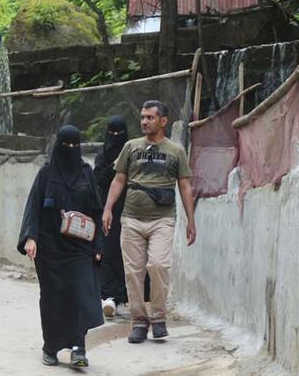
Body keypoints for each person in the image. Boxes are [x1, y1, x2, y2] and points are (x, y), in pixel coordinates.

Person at [102, 100, 197, 344]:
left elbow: (185, 185)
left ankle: (158, 318)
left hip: (162, 220)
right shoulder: (131, 147)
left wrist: (190, 219)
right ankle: (139, 322)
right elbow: (119, 180)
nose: (145, 121)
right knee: (133, 272)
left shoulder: (176, 151)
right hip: (131, 218)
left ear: (163, 121)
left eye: (150, 118)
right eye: (143, 117)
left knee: (158, 266)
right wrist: (108, 209)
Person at [18, 125, 104, 368]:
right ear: (58, 145)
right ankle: (51, 346)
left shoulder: (86, 173)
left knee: (79, 294)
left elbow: (96, 211)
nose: (70, 150)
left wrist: (98, 245)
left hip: (79, 248)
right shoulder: (46, 174)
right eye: (65, 145)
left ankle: (79, 347)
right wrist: (30, 238)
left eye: (74, 145)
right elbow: (33, 207)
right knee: (53, 298)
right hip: (50, 247)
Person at [93, 116, 129, 318]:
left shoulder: (132, 152)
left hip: (129, 209)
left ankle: (123, 296)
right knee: (106, 250)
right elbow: (99, 178)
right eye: (112, 134)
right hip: (106, 209)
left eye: (119, 134)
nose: (115, 138)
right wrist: (115, 165)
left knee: (125, 253)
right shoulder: (102, 154)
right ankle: (108, 296)